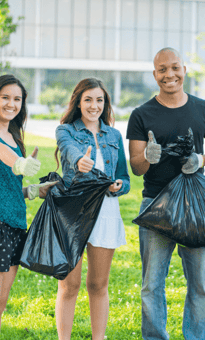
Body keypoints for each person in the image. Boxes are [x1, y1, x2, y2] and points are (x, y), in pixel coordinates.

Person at [126, 47, 205, 340]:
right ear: (154, 73)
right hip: (156, 204)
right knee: (152, 284)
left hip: (195, 205)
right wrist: (148, 156)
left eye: (174, 67)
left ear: (184, 69)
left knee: (201, 284)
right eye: (162, 70)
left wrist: (201, 159)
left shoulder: (204, 108)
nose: (169, 75)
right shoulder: (141, 114)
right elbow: (136, 167)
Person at [0, 74, 55, 340]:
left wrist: (31, 191)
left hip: (16, 224)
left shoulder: (15, 138)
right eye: (5, 97)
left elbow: (7, 185)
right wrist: (18, 162)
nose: (11, 104)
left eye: (17, 99)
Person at [54, 78, 130, 340]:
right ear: (78, 102)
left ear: (105, 103)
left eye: (99, 100)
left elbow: (125, 177)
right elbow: (69, 149)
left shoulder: (114, 135)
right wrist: (80, 161)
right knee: (69, 284)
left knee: (98, 284)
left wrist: (118, 186)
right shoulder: (65, 130)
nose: (94, 105)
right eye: (88, 99)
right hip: (73, 213)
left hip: (105, 212)